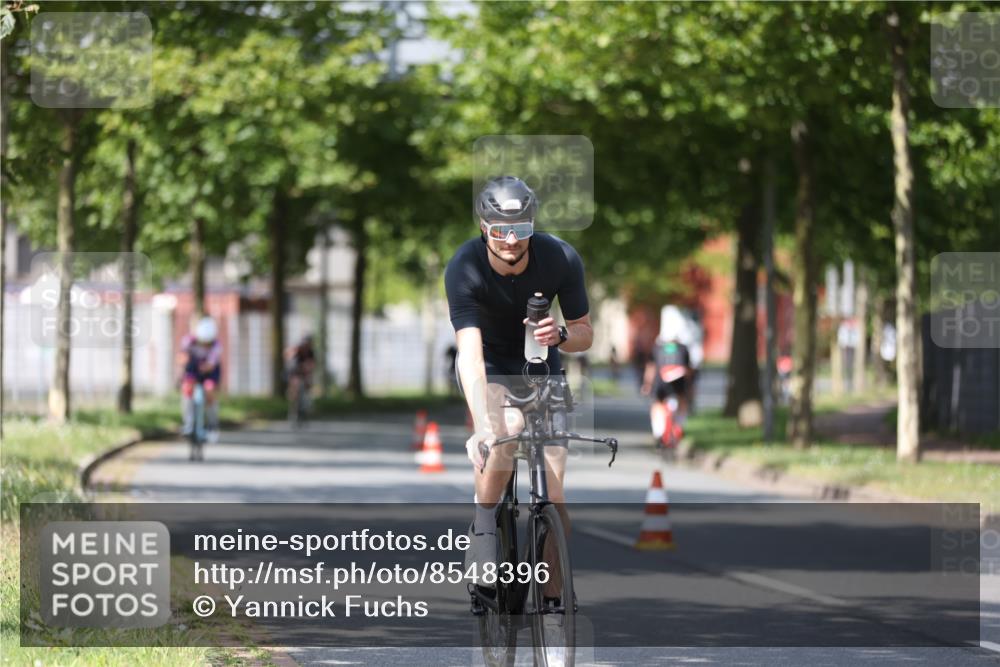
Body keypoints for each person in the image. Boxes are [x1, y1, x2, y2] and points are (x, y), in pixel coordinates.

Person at [444, 175, 593, 601]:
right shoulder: (465, 267)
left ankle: (552, 606)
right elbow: (469, 356)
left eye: (521, 230)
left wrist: (561, 335)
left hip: (542, 367)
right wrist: (482, 426)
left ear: (533, 225)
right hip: (489, 365)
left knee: (555, 493)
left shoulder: (561, 257)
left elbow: (586, 334)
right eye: (499, 231)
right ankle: (486, 528)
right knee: (505, 430)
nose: (510, 240)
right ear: (483, 227)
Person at [641, 306, 694, 447]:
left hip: (660, 383)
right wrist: (690, 387)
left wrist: (647, 385)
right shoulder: (683, 348)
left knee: (657, 405)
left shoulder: (657, 347)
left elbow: (651, 367)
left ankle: (658, 432)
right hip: (679, 383)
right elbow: (689, 370)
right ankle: (679, 427)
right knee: (682, 402)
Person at [180, 316, 222, 443]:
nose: (204, 345)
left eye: (207, 342)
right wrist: (184, 360)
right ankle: (188, 424)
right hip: (193, 369)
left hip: (209, 372)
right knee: (187, 389)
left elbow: (210, 365)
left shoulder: (216, 345)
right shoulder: (188, 341)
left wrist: (204, 368)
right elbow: (182, 356)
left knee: (209, 391)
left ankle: (212, 425)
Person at [286, 334, 317, 413]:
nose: (307, 345)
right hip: (294, 369)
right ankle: (293, 402)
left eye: (309, 344)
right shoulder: (297, 349)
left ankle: (307, 400)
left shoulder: (311, 352)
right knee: (295, 383)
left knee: (308, 381)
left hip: (304, 370)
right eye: (306, 344)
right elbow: (289, 357)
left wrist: (309, 368)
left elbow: (312, 363)